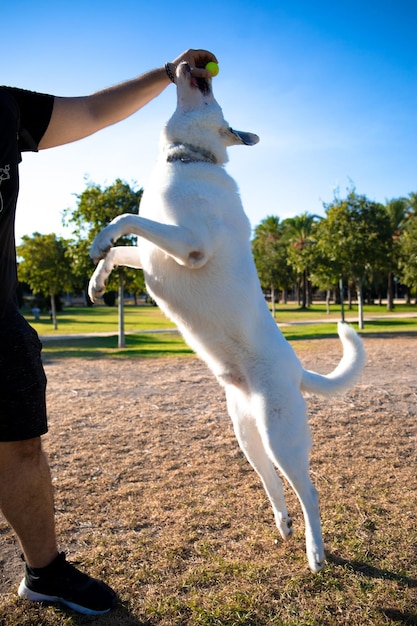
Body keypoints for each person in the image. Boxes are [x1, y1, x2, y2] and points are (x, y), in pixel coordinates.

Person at [0, 48, 217, 616]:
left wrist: (165, 73)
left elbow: (94, 110)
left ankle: (44, 572)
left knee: (22, 449)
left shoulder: (4, 109)